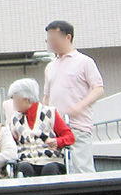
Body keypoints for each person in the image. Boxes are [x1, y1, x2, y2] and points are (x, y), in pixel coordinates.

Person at [42, 20, 105, 174]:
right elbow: (46, 97)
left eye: (54, 39)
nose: (51, 43)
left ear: (67, 37)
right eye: (49, 40)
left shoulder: (84, 62)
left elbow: (98, 89)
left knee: (82, 168)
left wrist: (80, 106)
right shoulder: (50, 66)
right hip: (55, 129)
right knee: (57, 169)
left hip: (78, 125)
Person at [7, 78, 74, 177]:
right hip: (26, 160)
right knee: (24, 168)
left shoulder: (50, 113)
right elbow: (11, 143)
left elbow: (69, 137)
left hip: (51, 160)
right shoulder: (14, 119)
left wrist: (57, 141)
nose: (14, 104)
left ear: (26, 99)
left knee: (49, 169)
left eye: (15, 99)